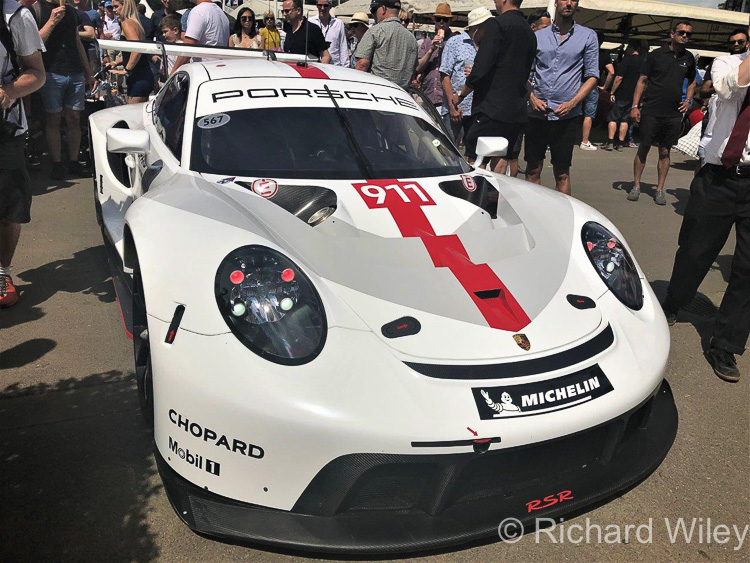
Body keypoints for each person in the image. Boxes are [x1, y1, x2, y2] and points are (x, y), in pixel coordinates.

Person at [662, 43, 750, 383]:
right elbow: (729, 88)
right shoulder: (726, 63)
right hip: (718, 179)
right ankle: (675, 300)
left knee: (747, 267)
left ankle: (725, 344)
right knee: (696, 251)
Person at [525, 0, 598, 195]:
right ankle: (532, 213)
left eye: (574, 0)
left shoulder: (587, 36)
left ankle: (563, 218)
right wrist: (531, 97)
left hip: (566, 115)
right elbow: (526, 72)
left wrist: (573, 103)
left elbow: (592, 76)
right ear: (556, 3)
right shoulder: (538, 36)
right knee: (533, 168)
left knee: (562, 172)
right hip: (537, 112)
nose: (569, 3)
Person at [0, 0, 46, 308]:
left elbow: (37, 73)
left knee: (8, 206)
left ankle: (2, 271)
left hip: (4, 130)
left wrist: (8, 92)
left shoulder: (15, 16)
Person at [455, 0, 535, 174]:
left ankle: (478, 198)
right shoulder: (529, 31)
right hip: (515, 108)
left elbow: (482, 67)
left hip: (491, 106)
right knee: (502, 156)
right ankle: (495, 197)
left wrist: (461, 94)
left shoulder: (497, 24)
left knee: (476, 156)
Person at [630, 21, 696, 206]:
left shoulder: (689, 58)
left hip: (673, 113)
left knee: (665, 151)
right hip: (651, 109)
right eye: (681, 32)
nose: (685, 36)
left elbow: (692, 81)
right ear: (672, 34)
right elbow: (642, 80)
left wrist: (688, 100)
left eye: (688, 34)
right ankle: (636, 185)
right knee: (644, 147)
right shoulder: (656, 55)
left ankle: (660, 189)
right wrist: (635, 106)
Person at [36, 0, 94, 180]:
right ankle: (57, 162)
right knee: (53, 118)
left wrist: (88, 72)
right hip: (52, 71)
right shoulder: (39, 8)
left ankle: (74, 160)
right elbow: (36, 42)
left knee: (74, 118)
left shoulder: (71, 11)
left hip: (74, 71)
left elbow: (76, 42)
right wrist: (52, 21)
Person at [440, 7, 489, 146]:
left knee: (473, 152)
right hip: (457, 108)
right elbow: (444, 75)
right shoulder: (455, 43)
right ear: (478, 26)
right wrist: (452, 105)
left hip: (478, 110)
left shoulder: (488, 46)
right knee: (449, 151)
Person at [354, 0, 416, 89]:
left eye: (374, 10)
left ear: (383, 9)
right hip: (402, 95)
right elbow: (413, 69)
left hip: (378, 92)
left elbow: (361, 65)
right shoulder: (412, 38)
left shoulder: (375, 31)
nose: (373, 14)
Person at [105, 0, 153, 103]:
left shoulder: (127, 24)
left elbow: (137, 50)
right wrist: (115, 62)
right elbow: (130, 53)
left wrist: (126, 70)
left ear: (125, 6)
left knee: (132, 116)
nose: (114, 10)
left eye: (116, 7)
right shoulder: (136, 23)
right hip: (143, 75)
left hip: (139, 77)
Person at [602, 40, 643, 152]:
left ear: (631, 47)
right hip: (634, 95)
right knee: (625, 120)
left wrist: (612, 92)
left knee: (613, 118)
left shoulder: (627, 60)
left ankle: (610, 141)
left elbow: (618, 78)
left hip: (622, 93)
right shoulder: (643, 62)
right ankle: (620, 143)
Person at [170, 0, 229, 75]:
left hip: (204, 72)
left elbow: (189, 47)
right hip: (220, 71)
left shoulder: (199, 11)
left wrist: (173, 73)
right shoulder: (221, 13)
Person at [580, 31, 614, 151]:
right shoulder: (604, 54)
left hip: (577, 83)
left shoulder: (582, 50)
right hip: (592, 84)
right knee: (589, 114)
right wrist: (605, 86)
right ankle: (584, 141)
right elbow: (611, 71)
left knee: (571, 110)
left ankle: (563, 137)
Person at [415, 3, 453, 107]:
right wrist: (431, 50)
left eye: (445, 19)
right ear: (434, 20)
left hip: (446, 99)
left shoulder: (454, 41)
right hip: (428, 96)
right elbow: (418, 68)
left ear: (449, 21)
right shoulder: (427, 41)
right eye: (438, 19)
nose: (441, 22)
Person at [310, 0, 346, 66]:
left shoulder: (338, 23)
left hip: (335, 67)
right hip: (315, 65)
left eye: (325, 6)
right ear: (316, 6)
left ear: (330, 6)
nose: (322, 8)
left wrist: (345, 67)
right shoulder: (310, 22)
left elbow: (343, 47)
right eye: (320, 5)